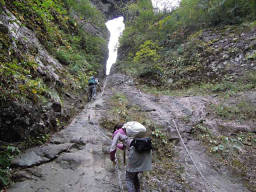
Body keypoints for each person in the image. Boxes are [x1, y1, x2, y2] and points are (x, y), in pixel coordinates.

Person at [110, 122, 152, 192]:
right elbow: (126, 145)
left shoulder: (118, 132)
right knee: (134, 176)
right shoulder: (133, 133)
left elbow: (112, 149)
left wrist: (112, 159)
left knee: (129, 179)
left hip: (136, 154)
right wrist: (118, 145)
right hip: (146, 153)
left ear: (117, 128)